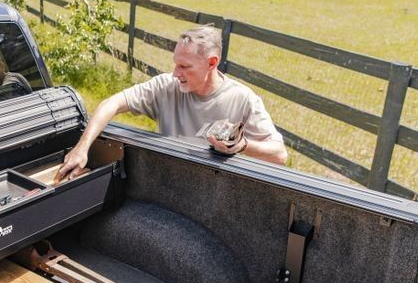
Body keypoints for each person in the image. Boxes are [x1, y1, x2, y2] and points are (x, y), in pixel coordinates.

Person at [55, 25, 287, 182]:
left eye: (185, 67)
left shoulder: (243, 98)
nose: (176, 73)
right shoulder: (166, 86)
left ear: (212, 62)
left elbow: (279, 155)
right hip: (168, 185)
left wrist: (243, 145)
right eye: (175, 64)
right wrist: (81, 148)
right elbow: (111, 104)